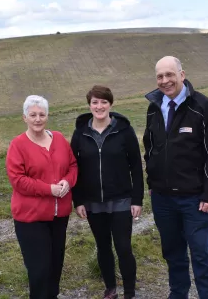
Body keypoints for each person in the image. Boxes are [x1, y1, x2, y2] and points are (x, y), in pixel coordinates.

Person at [143, 56, 208, 299]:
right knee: (172, 252)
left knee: (201, 253)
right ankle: (178, 294)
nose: (165, 81)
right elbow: (150, 147)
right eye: (160, 76)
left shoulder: (203, 107)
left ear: (182, 75)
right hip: (162, 199)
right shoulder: (154, 108)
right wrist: (152, 182)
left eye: (170, 75)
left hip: (194, 199)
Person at [71, 85, 144, 299]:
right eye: (95, 102)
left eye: (103, 102)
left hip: (121, 199)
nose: (99, 106)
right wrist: (78, 200)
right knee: (103, 247)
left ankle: (129, 293)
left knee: (123, 247)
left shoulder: (124, 130)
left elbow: (136, 167)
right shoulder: (80, 133)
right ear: (89, 105)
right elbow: (73, 167)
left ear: (110, 104)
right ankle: (110, 289)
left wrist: (137, 199)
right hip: (93, 202)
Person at [6, 95, 78, 299]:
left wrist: (67, 181)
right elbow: (18, 180)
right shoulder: (18, 145)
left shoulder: (59, 139)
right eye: (33, 115)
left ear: (47, 116)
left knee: (55, 266)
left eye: (42, 115)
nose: (38, 119)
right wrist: (50, 189)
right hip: (31, 218)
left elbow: (72, 165)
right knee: (39, 270)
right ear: (25, 118)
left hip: (59, 216)